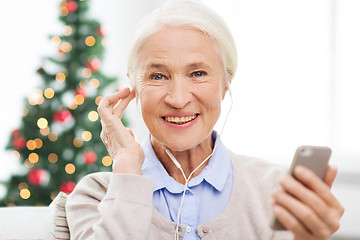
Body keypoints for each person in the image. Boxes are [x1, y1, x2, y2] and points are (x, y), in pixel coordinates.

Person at [66, 0, 344, 239]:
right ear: (133, 88)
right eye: (158, 76)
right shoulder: (96, 196)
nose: (177, 99)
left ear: (226, 83)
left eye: (198, 73)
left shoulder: (273, 190)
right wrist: (126, 165)